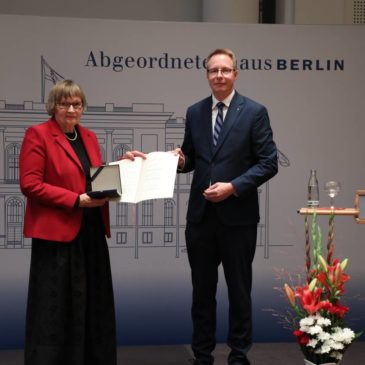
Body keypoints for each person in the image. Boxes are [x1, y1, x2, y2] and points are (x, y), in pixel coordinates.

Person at [174, 48, 278, 365]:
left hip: (238, 218)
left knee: (239, 291)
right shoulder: (194, 112)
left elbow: (269, 163)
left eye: (225, 70)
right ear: (207, 74)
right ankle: (202, 355)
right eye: (213, 70)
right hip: (201, 219)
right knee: (202, 292)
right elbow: (192, 158)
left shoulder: (254, 112)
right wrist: (180, 162)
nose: (219, 75)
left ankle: (238, 355)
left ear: (235, 73)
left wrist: (233, 187)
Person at [19, 80, 121, 365]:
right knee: (56, 307)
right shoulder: (37, 135)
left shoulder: (88, 136)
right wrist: (76, 200)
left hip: (91, 231)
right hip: (57, 236)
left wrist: (125, 165)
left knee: (93, 302)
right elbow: (29, 184)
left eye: (77, 104)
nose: (71, 109)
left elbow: (95, 177)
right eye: (64, 104)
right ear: (54, 106)